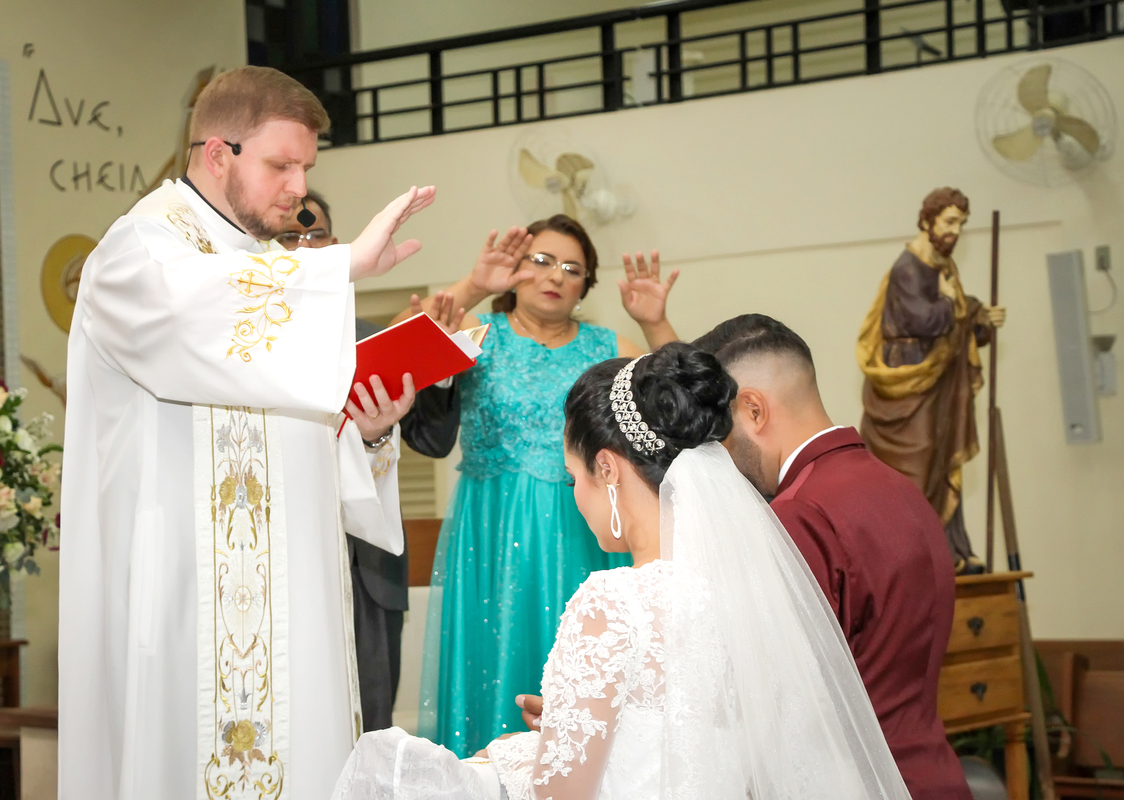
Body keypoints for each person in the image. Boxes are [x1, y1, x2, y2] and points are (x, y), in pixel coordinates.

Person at [59, 66, 435, 799]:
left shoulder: (273, 267)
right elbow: (191, 311)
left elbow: (292, 434)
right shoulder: (138, 248)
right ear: (216, 153)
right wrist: (342, 266)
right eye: (281, 166)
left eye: (307, 168)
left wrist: (367, 433)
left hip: (293, 606)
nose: (300, 188)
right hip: (180, 599)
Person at [331, 344, 913, 800]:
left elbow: (561, 796)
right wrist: (565, 733)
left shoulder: (613, 603)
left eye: (573, 477)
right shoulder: (759, 590)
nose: (575, 496)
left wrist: (514, 755)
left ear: (607, 469)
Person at [402, 217, 678, 756]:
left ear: (586, 286)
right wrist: (473, 284)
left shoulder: (610, 346)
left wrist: (655, 323)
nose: (556, 276)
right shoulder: (477, 332)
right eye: (542, 261)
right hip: (489, 530)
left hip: (585, 530)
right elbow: (397, 344)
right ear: (514, 267)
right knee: (490, 653)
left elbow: (680, 400)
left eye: (572, 268)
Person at [691, 314, 972, 800]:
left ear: (753, 409)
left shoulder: (799, 514)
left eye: (720, 433)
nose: (722, 456)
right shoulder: (903, 490)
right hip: (932, 773)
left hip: (858, 781)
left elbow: (780, 706)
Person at [277, 190, 464, 732]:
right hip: (287, 560)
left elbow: (432, 441)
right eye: (289, 236)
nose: (304, 247)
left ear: (337, 246)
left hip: (369, 572)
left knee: (373, 725)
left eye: (315, 235)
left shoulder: (374, 341)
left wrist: (437, 363)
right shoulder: (246, 346)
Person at [857, 187, 1006, 574]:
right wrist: (954, 305)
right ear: (927, 221)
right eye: (950, 222)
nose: (955, 231)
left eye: (961, 224)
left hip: (938, 383)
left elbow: (954, 319)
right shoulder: (909, 267)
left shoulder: (942, 265)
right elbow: (924, 319)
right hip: (909, 378)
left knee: (941, 460)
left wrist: (980, 319)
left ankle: (949, 550)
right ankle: (915, 552)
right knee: (918, 461)